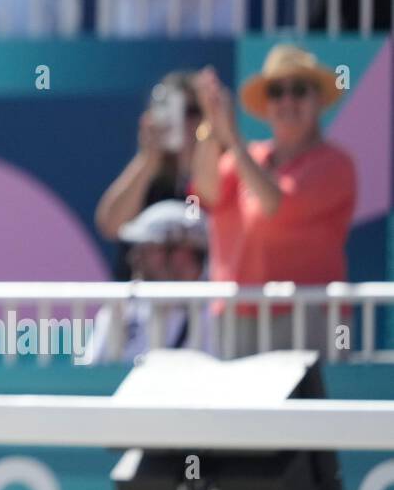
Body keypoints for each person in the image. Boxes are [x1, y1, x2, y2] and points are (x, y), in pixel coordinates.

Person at [190, 45, 356, 354]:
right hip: (237, 314)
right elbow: (206, 193)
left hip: (308, 316)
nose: (287, 100)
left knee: (309, 404)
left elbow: (274, 205)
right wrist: (211, 123)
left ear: (319, 99)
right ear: (266, 105)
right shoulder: (249, 157)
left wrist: (234, 140)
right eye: (277, 91)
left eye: (299, 90)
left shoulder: (335, 164)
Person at [96, 71, 201, 278]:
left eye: (192, 111)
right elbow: (110, 225)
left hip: (200, 305)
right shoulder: (149, 174)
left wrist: (193, 164)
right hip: (140, 305)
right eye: (174, 113)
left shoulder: (222, 172)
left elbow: (199, 218)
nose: (184, 122)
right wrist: (148, 160)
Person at [90, 199, 208, 362]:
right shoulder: (121, 309)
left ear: (182, 253)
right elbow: (94, 371)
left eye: (149, 249)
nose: (135, 258)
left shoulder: (216, 312)